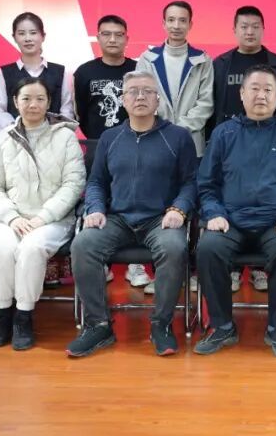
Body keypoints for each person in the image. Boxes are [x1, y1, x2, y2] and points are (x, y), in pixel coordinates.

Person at [67, 71, 198, 358]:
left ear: (157, 100)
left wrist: (179, 208)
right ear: (123, 100)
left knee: (174, 247)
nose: (140, 97)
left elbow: (191, 182)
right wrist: (95, 208)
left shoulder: (178, 137)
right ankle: (98, 325)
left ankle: (161, 324)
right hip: (118, 218)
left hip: (161, 219)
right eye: (133, 92)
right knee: (83, 244)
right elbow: (96, 182)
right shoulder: (110, 138)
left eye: (147, 91)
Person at [193, 65, 276, 358]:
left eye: (268, 90)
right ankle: (222, 326)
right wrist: (213, 213)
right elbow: (206, 184)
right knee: (208, 248)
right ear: (242, 94)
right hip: (230, 220)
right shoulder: (224, 133)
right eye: (255, 89)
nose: (261, 95)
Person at [0, 77, 86, 351]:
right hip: (11, 216)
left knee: (31, 248)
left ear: (49, 102)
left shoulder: (65, 137)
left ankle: (24, 316)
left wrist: (43, 217)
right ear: (15, 102)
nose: (33, 104)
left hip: (52, 218)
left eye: (40, 98)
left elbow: (73, 183)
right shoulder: (2, 139)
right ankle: (2, 314)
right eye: (26, 98)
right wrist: (11, 217)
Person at [209, 5, 276, 293]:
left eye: (255, 26)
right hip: (230, 145)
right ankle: (233, 269)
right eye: (244, 26)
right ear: (234, 30)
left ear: (263, 29)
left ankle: (260, 269)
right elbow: (211, 106)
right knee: (232, 202)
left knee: (265, 201)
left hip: (270, 143)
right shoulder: (220, 64)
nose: (249, 31)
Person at [134, 1, 214, 292]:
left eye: (182, 20)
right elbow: (142, 96)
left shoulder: (203, 60)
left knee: (191, 205)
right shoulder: (147, 59)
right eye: (171, 20)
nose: (177, 25)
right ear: (163, 23)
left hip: (192, 144)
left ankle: (191, 271)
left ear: (191, 24)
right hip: (155, 142)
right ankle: (161, 273)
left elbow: (206, 103)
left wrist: (179, 129)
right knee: (160, 207)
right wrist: (163, 128)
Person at [0, 12, 75, 132]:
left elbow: (67, 108)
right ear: (14, 37)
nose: (28, 38)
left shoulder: (59, 72)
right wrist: (16, 130)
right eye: (21, 33)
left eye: (33, 33)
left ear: (43, 36)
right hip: (16, 138)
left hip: (53, 137)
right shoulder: (5, 72)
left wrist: (57, 132)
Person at [73, 14, 135, 140]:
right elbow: (80, 112)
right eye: (106, 34)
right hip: (96, 142)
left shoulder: (138, 70)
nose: (112, 39)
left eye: (119, 35)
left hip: (134, 141)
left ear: (126, 39)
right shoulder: (84, 72)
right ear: (98, 38)